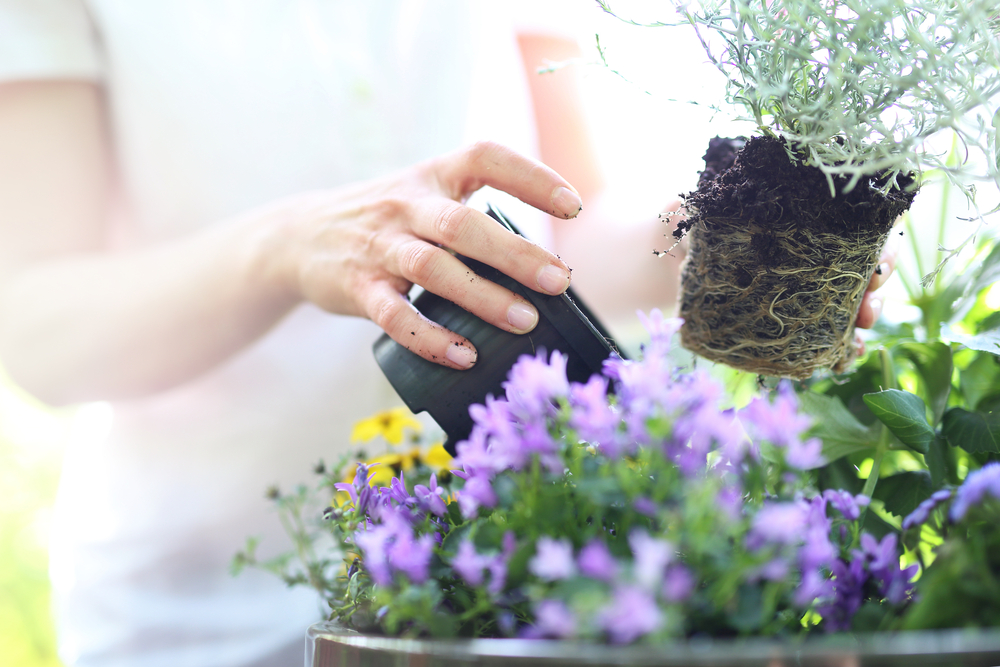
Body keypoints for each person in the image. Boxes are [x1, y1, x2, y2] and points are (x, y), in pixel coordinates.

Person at [0, 2, 892, 666]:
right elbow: (39, 323)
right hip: (198, 619)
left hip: (502, 601)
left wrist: (723, 239)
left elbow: (563, 229)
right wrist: (284, 244)